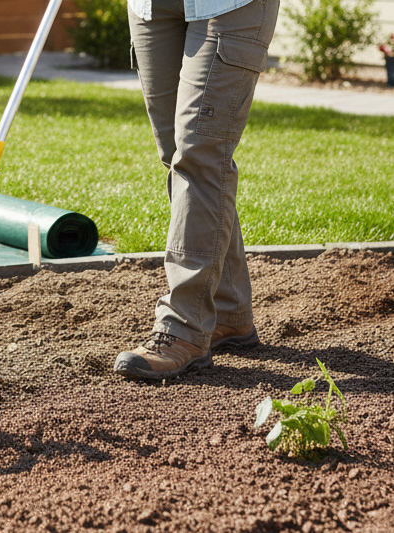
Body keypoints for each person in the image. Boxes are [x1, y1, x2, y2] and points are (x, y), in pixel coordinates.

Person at [113, 0, 279, 380]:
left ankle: (182, 330)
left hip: (227, 5)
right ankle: (229, 312)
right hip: (150, 8)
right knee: (177, 155)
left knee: (199, 155)